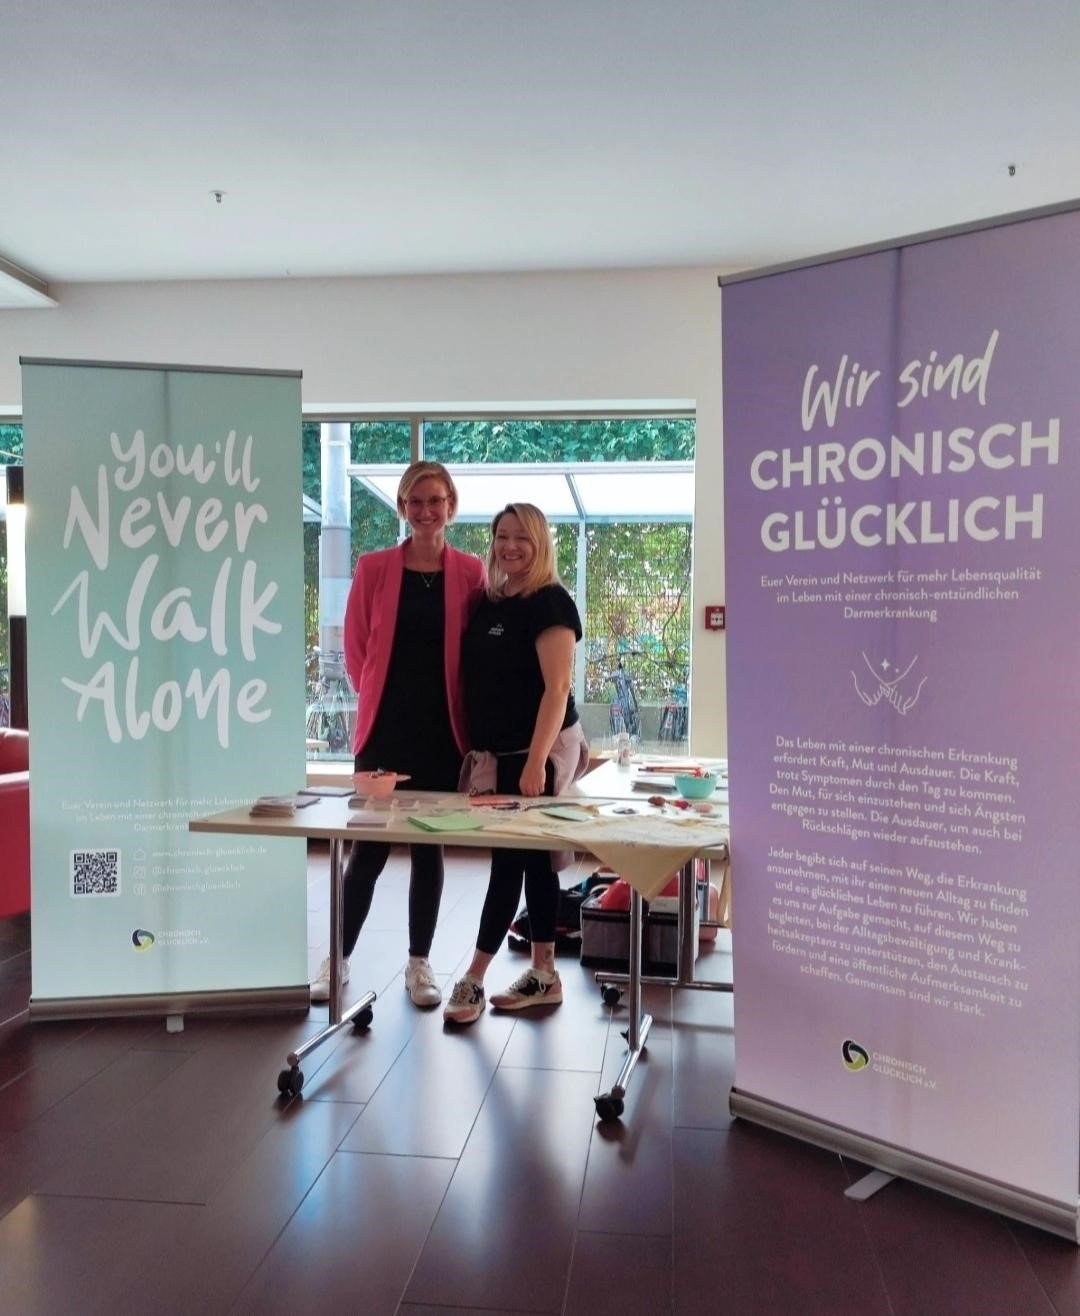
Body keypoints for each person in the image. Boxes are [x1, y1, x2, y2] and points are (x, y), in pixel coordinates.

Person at [310, 461, 486, 1007]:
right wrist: (383, 698)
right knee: (368, 850)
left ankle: (419, 964)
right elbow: (357, 649)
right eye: (416, 501)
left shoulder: (471, 571)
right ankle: (337, 959)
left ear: (450, 506)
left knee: (429, 848)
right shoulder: (375, 567)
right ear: (403, 507)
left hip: (443, 731)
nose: (426, 510)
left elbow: (474, 649)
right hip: (385, 729)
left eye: (435, 500)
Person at [443, 503, 588, 1025]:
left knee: (512, 861)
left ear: (540, 542)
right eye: (501, 536)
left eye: (521, 537)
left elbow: (558, 688)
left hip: (539, 751)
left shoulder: (551, 601)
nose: (509, 546)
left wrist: (536, 762)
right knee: (533, 860)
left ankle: (475, 976)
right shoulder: (490, 601)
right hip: (501, 753)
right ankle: (544, 973)